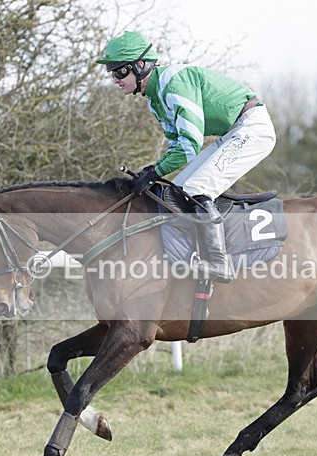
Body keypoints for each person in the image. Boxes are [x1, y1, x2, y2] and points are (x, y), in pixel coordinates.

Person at [97, 31, 276, 283]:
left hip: (252, 128)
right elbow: (176, 145)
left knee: (197, 187)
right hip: (234, 131)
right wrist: (152, 170)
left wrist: (155, 172)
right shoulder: (154, 100)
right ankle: (192, 254)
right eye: (112, 74)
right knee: (178, 190)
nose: (115, 80)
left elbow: (190, 145)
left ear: (140, 66)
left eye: (119, 72)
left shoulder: (174, 83)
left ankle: (219, 262)